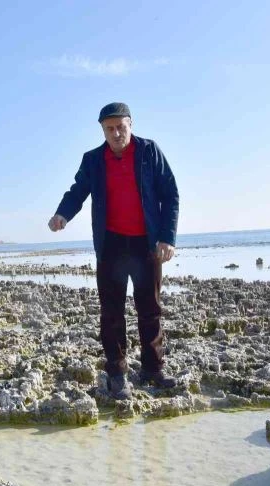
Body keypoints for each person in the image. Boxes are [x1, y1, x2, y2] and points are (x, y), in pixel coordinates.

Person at [48, 103, 179, 400]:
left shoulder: (149, 152)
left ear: (130, 124)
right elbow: (77, 191)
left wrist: (167, 237)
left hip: (147, 244)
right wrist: (62, 215)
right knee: (111, 313)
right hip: (111, 246)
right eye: (110, 129)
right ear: (103, 131)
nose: (116, 133)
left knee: (150, 309)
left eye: (121, 126)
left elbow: (170, 194)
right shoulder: (93, 160)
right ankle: (118, 374)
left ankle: (153, 370)